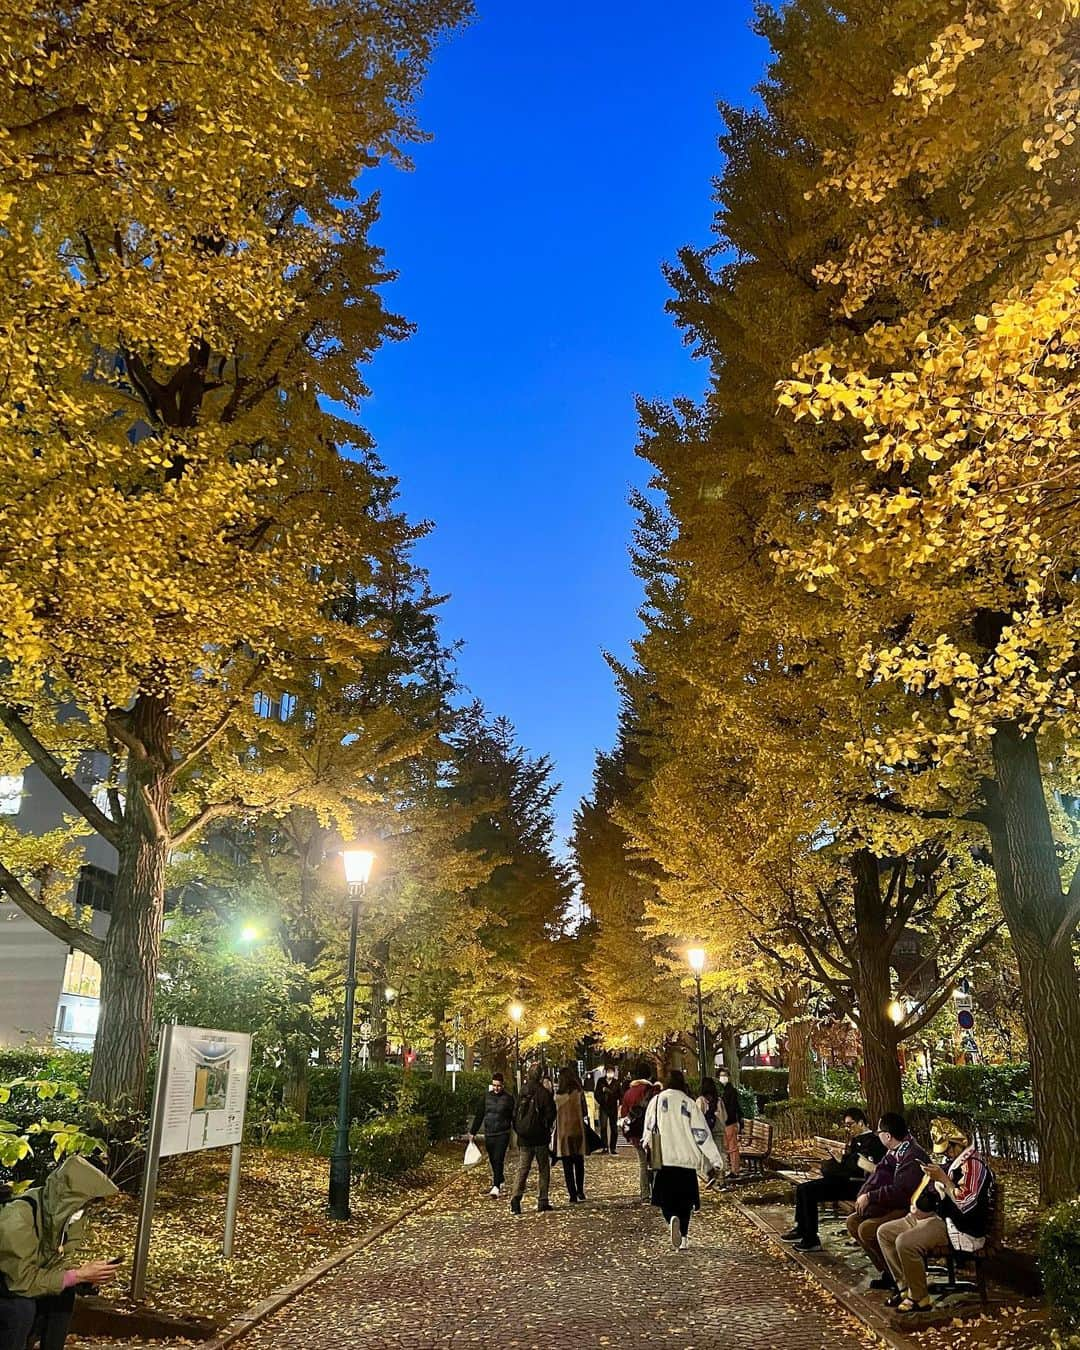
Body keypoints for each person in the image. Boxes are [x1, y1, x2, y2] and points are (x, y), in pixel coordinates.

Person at [876, 1118, 995, 1314]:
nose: (947, 1154)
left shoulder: (974, 1165)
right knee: (885, 1232)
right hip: (938, 1217)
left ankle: (919, 1297)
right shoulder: (953, 1162)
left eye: (949, 1150)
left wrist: (943, 1180)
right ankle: (906, 1287)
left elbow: (966, 1203)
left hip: (958, 1225)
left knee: (905, 1243)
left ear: (958, 1144)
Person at [0, 1155, 119, 1350]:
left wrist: (85, 1278)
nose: (86, 1209)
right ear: (70, 1199)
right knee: (21, 1309)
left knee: (64, 1294)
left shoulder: (61, 1216)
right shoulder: (18, 1216)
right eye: (85, 1203)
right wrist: (77, 1275)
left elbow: (56, 1262)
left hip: (15, 1282)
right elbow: (20, 1282)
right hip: (11, 1284)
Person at [781, 1107, 886, 1251]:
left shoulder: (873, 1142)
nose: (848, 1129)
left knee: (809, 1192)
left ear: (861, 1123)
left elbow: (862, 1167)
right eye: (846, 1126)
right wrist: (839, 1159)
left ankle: (811, 1240)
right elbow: (851, 1162)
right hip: (844, 1180)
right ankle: (802, 1229)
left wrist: (842, 1159)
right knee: (803, 1188)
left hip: (857, 1185)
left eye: (850, 1125)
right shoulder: (856, 1140)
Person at [846, 1113, 930, 1290]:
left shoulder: (911, 1155)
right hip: (892, 1203)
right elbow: (879, 1173)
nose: (878, 1134)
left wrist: (871, 1197)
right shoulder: (894, 1152)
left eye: (879, 1131)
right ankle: (887, 1271)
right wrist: (864, 1194)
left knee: (867, 1229)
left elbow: (901, 1192)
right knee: (853, 1221)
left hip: (910, 1208)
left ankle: (899, 1275)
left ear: (888, 1135)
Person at [644, 1069, 724, 1251]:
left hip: (664, 1158)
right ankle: (685, 1237)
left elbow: (649, 1128)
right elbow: (701, 1134)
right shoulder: (688, 1104)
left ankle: (671, 1218)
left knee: (666, 1199)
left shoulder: (656, 1101)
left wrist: (647, 1145)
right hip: (686, 1162)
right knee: (686, 1202)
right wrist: (715, 1160)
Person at [509, 1064, 557, 1216]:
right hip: (540, 1137)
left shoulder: (522, 1091)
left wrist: (519, 1130)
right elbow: (551, 1114)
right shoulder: (544, 1093)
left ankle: (516, 1198)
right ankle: (542, 1200)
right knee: (543, 1168)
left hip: (524, 1138)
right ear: (541, 1076)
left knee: (523, 1168)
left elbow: (515, 1114)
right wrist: (546, 1128)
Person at [468, 1071, 516, 1198]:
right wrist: (473, 1132)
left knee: (499, 1158)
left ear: (503, 1085)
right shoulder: (486, 1097)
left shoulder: (508, 1099)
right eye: (494, 1085)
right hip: (490, 1133)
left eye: (498, 1086)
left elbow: (514, 1116)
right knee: (493, 1159)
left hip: (503, 1133)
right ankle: (500, 1178)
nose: (496, 1088)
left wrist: (518, 1131)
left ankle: (496, 1186)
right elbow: (479, 1115)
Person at [620, 1063, 659, 1202]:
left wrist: (627, 1135)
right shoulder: (652, 1090)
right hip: (652, 1132)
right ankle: (656, 1192)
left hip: (636, 1133)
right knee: (655, 1162)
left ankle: (645, 1194)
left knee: (642, 1163)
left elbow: (624, 1115)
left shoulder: (629, 1093)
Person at [554, 1067, 588, 1204]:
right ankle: (580, 1190)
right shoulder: (579, 1094)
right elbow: (585, 1112)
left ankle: (572, 1194)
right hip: (578, 1130)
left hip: (563, 1133)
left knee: (567, 1165)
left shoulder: (558, 1097)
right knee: (579, 1162)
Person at [717, 1067, 743, 1179]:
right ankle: (732, 1169)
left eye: (725, 1075)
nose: (723, 1077)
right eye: (721, 1075)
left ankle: (735, 1170)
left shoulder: (730, 1091)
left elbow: (733, 1108)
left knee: (732, 1148)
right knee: (729, 1147)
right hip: (727, 1123)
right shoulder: (723, 1090)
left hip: (730, 1123)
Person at [594, 1065, 622, 1155]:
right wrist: (601, 1099)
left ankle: (613, 1147)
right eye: (609, 1071)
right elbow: (596, 1094)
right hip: (603, 1107)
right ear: (605, 1072)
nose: (610, 1073)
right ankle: (604, 1147)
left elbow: (620, 1094)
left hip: (613, 1107)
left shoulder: (616, 1082)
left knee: (614, 1128)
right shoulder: (601, 1081)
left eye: (612, 1072)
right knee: (603, 1127)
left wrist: (619, 1104)